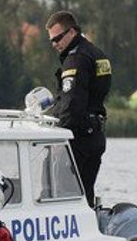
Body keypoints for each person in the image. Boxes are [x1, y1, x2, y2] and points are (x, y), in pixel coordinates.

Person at [45, 11, 111, 207]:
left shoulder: (76, 60)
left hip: (77, 139)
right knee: (85, 193)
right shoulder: (97, 54)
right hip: (96, 135)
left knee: (64, 196)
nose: (54, 44)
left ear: (72, 32)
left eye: (57, 38)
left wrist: (59, 140)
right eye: (51, 40)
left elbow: (71, 105)